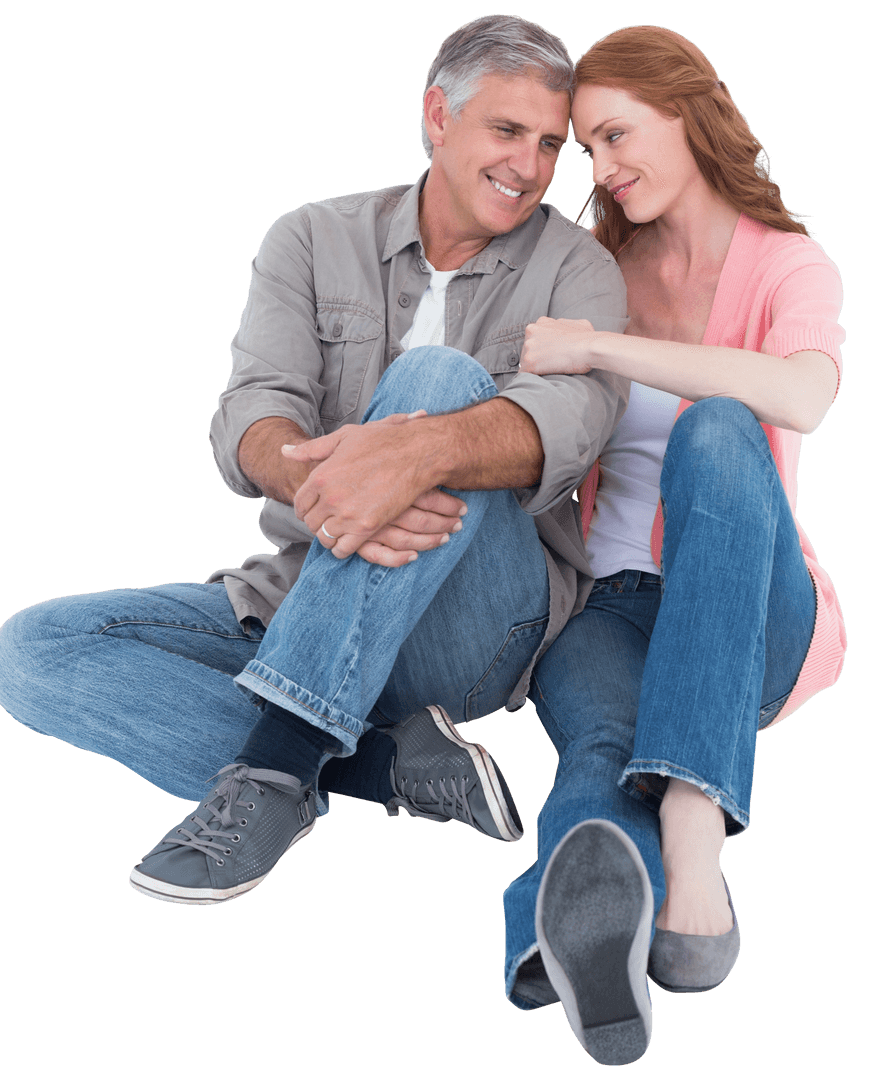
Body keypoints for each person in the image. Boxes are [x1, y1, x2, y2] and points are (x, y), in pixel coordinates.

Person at [0, 16, 628, 904]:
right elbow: (254, 410)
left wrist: (415, 453)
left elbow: (572, 422)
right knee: (31, 650)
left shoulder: (581, 269)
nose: (527, 166)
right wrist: (330, 484)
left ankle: (281, 762)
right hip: (299, 592)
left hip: (478, 624)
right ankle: (379, 766)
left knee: (437, 380)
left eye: (550, 144)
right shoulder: (310, 236)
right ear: (437, 115)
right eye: (506, 130)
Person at [503, 25, 846, 1066]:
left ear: (688, 113)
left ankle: (694, 829)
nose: (599, 169)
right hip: (604, 604)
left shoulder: (789, 263)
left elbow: (801, 397)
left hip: (753, 601)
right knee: (603, 752)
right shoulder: (591, 267)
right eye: (586, 149)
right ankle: (562, 936)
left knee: (720, 426)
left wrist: (598, 348)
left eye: (615, 136)